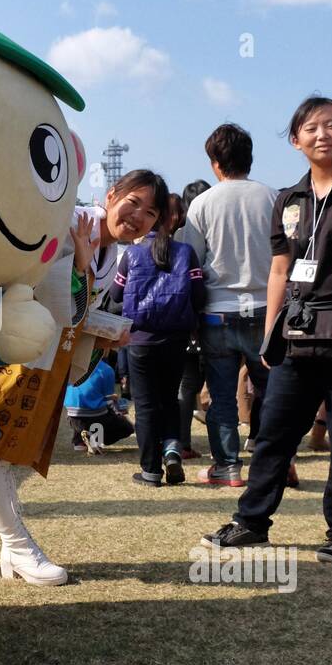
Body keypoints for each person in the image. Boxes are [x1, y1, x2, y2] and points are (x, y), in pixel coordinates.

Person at [0, 170, 166, 584]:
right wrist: (81, 267)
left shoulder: (113, 250)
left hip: (45, 355)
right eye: (133, 202)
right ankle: (17, 547)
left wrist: (107, 330)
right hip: (15, 347)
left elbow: (72, 311)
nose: (138, 216)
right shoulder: (70, 221)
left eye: (150, 213)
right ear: (112, 193)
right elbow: (43, 288)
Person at [203, 96, 332, 563]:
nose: (323, 134)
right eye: (312, 127)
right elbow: (279, 271)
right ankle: (251, 522)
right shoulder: (290, 198)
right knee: (274, 432)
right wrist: (269, 334)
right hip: (298, 334)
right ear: (296, 139)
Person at [182, 124, 277, 487]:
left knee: (221, 396)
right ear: (249, 159)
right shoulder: (272, 198)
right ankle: (275, 464)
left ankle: (227, 467)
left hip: (217, 310)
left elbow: (193, 263)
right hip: (265, 308)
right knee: (271, 392)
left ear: (215, 163)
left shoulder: (202, 203)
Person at [111, 213, 205, 485]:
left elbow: (117, 295)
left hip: (140, 340)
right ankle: (172, 451)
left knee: (145, 405)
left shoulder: (132, 254)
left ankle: (150, 470)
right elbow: (199, 295)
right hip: (176, 339)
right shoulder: (186, 252)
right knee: (169, 400)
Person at [175, 179, 211, 457]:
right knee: (215, 383)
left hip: (183, 319)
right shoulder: (215, 229)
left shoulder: (178, 236)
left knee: (188, 385)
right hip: (213, 312)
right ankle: (223, 448)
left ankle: (182, 442)